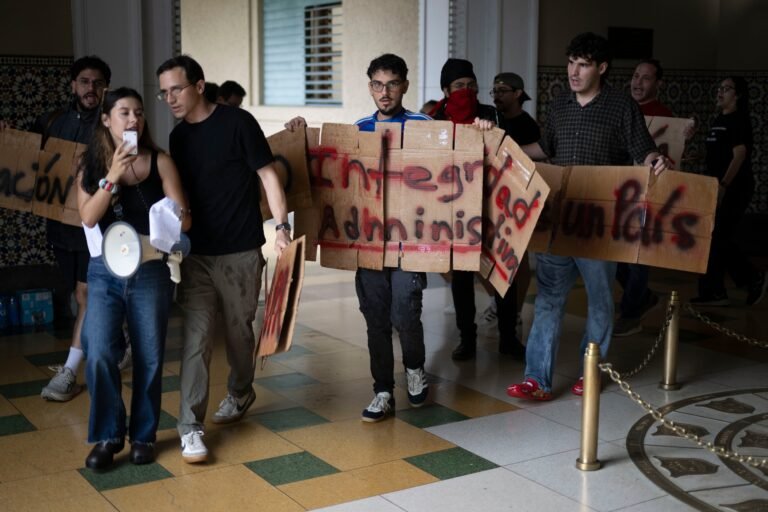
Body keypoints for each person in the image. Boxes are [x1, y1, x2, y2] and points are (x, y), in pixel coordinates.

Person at [506, 32, 669, 401]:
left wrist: (654, 160)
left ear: (602, 68)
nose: (573, 71)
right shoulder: (560, 103)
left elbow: (642, 151)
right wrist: (505, 148)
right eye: (570, 63)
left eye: (582, 64)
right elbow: (545, 149)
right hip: (558, 219)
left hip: (600, 223)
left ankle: (590, 373)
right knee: (548, 298)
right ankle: (536, 379)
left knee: (599, 299)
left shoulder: (621, 106)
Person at [156, 55, 290, 463]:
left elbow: (268, 175)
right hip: (197, 254)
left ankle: (240, 390)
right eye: (164, 93)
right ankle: (190, 427)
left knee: (238, 333)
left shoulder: (238, 123)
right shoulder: (178, 138)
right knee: (196, 338)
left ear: (198, 85)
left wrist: (282, 228)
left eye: (176, 89)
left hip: (241, 250)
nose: (170, 99)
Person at [286, 53, 431, 423]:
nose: (385, 92)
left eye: (393, 84)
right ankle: (382, 390)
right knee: (375, 317)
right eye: (378, 85)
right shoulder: (358, 129)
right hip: (367, 243)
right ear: (370, 86)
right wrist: (300, 135)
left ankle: (415, 367)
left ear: (405, 86)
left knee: (405, 311)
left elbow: (455, 167)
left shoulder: (424, 126)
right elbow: (330, 170)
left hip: (409, 243)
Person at [78, 87, 190, 469]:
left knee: (150, 356)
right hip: (105, 271)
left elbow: (184, 216)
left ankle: (143, 435)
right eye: (124, 113)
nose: (133, 120)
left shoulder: (160, 162)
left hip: (150, 267)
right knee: (99, 354)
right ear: (107, 120)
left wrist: (173, 217)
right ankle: (109, 436)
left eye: (139, 113)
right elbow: (89, 216)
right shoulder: (91, 166)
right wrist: (112, 173)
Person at [431, 59, 526, 362]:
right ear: (446, 90)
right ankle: (466, 338)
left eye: (471, 85)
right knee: (461, 278)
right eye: (459, 86)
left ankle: (508, 336)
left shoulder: (490, 114)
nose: (467, 91)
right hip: (454, 211)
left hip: (493, 208)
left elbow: (510, 153)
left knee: (502, 274)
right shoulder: (434, 120)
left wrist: (491, 131)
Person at [34, 56, 111, 402]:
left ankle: (69, 371)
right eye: (84, 81)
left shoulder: (111, 124)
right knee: (79, 294)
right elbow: (27, 156)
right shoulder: (53, 122)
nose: (90, 88)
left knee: (85, 294)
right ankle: (116, 341)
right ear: (73, 85)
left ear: (105, 86)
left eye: (96, 82)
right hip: (60, 227)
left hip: (93, 226)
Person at [693, 76, 766, 307]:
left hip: (735, 187)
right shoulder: (718, 119)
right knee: (714, 238)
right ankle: (716, 290)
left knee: (718, 237)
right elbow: (717, 153)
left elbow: (739, 155)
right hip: (715, 187)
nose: (720, 92)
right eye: (720, 88)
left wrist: (724, 185)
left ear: (738, 95)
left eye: (726, 89)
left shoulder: (738, 120)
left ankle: (749, 278)